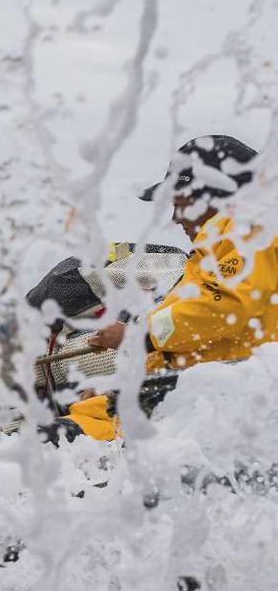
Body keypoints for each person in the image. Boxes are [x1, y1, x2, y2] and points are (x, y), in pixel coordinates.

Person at [64, 135, 277, 438]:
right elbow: (193, 328)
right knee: (69, 425)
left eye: (180, 205)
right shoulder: (217, 251)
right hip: (191, 400)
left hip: (206, 408)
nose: (176, 219)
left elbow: (227, 306)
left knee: (54, 439)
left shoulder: (248, 229)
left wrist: (137, 335)